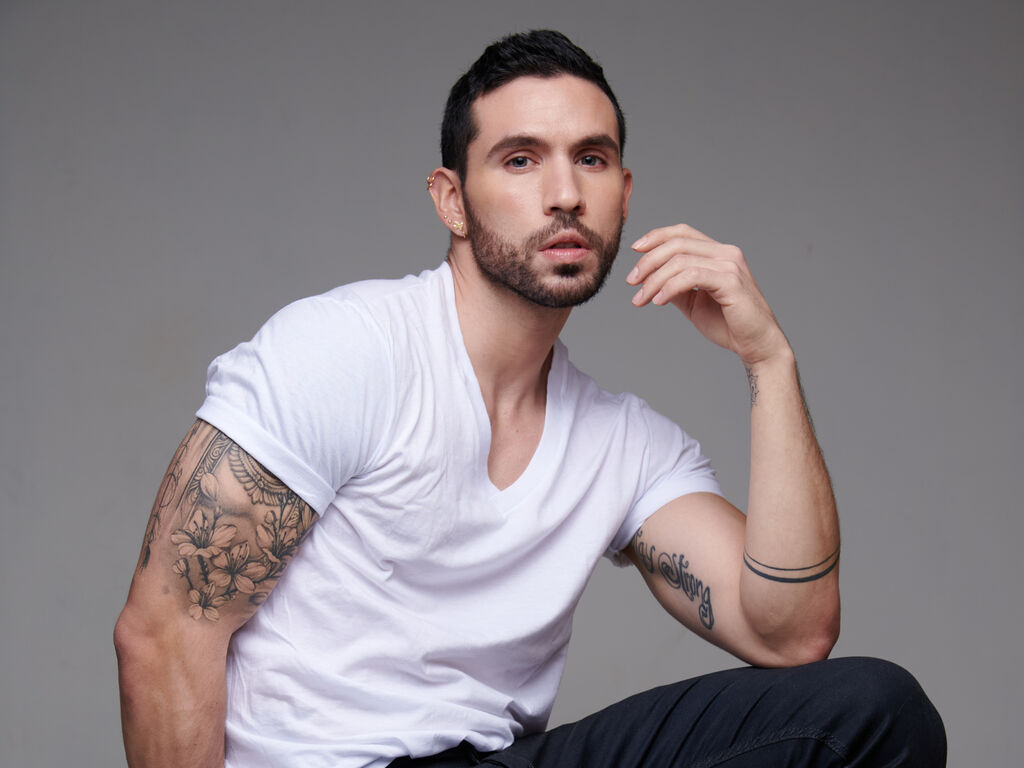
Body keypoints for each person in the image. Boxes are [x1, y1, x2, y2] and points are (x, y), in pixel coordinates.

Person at [114, 29, 945, 768]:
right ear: (452, 199)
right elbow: (163, 633)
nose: (565, 194)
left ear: (624, 192)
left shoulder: (624, 445)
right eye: (520, 160)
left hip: (492, 759)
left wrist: (770, 361)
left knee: (870, 711)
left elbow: (790, 634)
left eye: (591, 159)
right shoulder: (346, 350)